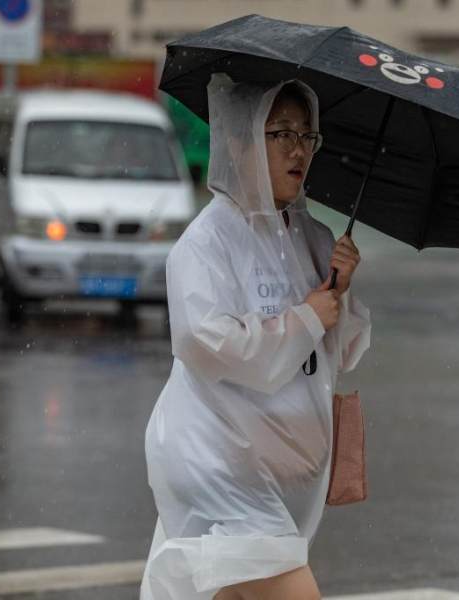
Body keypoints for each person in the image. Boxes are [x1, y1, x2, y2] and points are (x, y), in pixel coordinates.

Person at [139, 72, 371, 600]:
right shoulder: (206, 242)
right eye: (281, 133)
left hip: (271, 473)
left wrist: (341, 291)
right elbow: (205, 343)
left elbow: (340, 353)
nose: (299, 150)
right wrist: (307, 317)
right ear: (239, 143)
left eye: (307, 135)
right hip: (216, 459)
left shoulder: (312, 238)